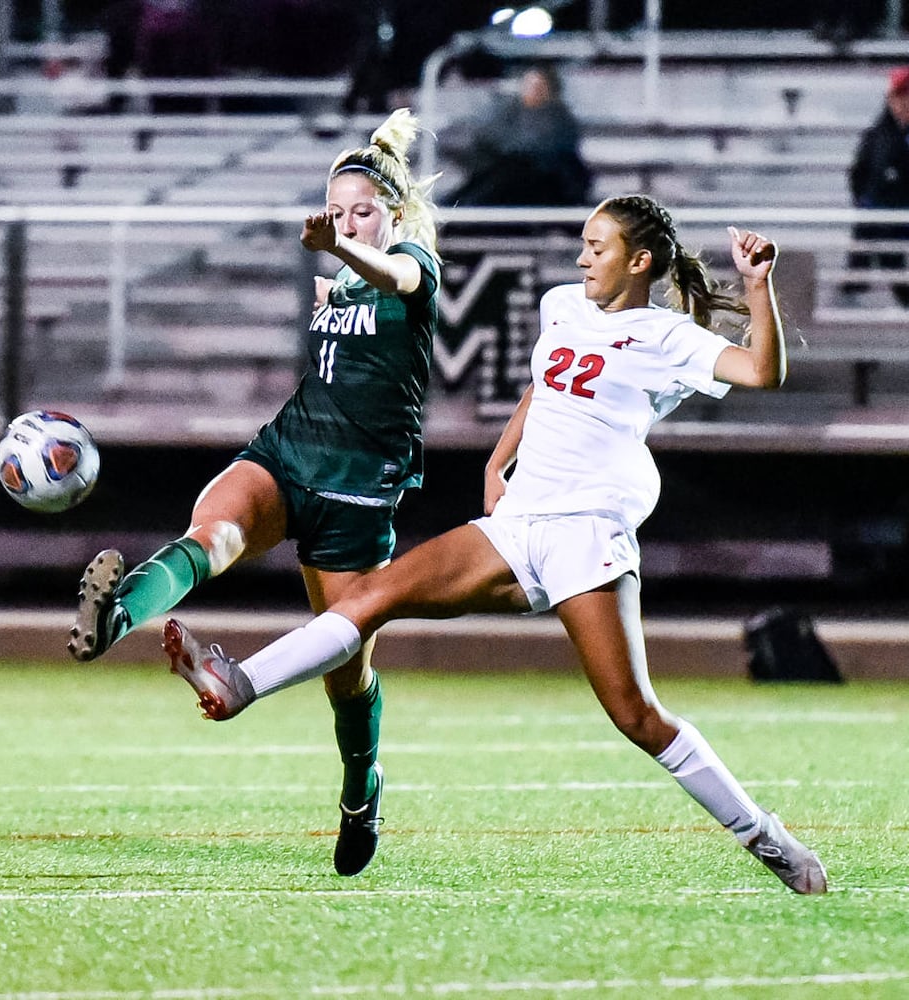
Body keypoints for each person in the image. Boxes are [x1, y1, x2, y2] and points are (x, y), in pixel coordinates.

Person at [163, 195, 830, 896]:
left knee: (635, 715)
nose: (581, 258)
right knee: (371, 596)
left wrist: (757, 287)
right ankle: (239, 684)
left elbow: (762, 372)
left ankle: (766, 837)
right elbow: (544, 389)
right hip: (518, 526)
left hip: (585, 532)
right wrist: (495, 462)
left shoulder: (667, 337)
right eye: (582, 243)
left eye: (597, 248)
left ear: (639, 262)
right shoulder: (562, 305)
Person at [71, 108, 441, 876]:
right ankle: (117, 618)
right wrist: (334, 263)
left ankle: (359, 788)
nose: (348, 223)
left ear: (395, 214)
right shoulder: (337, 276)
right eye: (337, 211)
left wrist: (340, 249)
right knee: (214, 533)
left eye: (363, 211)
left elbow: (397, 274)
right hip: (288, 451)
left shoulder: (413, 266)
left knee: (347, 670)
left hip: (359, 493)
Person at [446, 63, 592, 208]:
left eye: (539, 86)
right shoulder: (507, 111)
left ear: (550, 89)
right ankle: (457, 207)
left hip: (545, 181)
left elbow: (545, 149)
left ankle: (464, 206)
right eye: (529, 84)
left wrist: (514, 152)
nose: (533, 90)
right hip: (502, 174)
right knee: (498, 175)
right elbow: (488, 137)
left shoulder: (560, 118)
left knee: (513, 171)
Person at [847, 66, 909, 306]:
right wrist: (867, 201)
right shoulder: (877, 135)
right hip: (881, 216)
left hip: (902, 218)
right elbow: (859, 175)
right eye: (900, 96)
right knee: (870, 235)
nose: (904, 104)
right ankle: (855, 290)